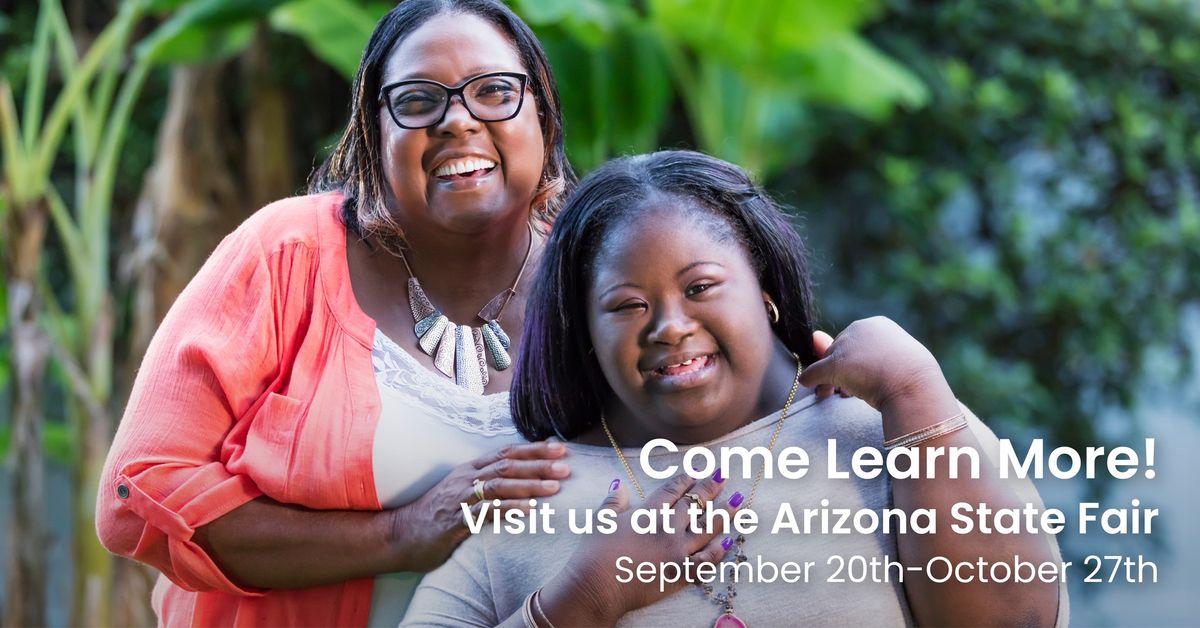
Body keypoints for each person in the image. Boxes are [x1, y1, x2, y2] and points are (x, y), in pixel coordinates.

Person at [402, 150, 1068, 626]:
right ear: (583, 333)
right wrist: (586, 598)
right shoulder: (528, 492)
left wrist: (914, 390)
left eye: (700, 288)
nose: (669, 326)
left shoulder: (898, 429)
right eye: (628, 305)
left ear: (766, 290)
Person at [95, 1, 579, 625]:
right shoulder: (286, 255)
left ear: (542, 112)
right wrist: (400, 534)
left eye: (494, 92)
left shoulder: (595, 273)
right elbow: (138, 493)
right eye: (417, 100)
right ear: (376, 133)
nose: (458, 120)